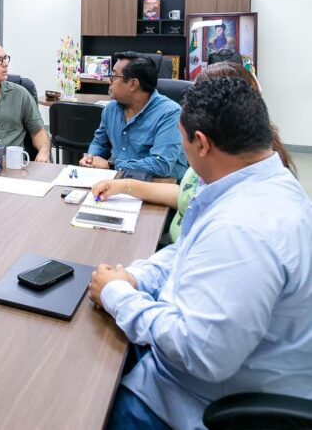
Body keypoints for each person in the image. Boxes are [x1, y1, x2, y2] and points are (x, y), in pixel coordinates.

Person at [89, 77, 312, 430]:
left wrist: (118, 295)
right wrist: (137, 276)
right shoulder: (263, 184)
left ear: (202, 144)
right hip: (221, 373)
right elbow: (188, 249)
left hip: (193, 400)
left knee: (82, 395)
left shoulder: (242, 230)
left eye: (183, 141)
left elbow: (200, 353)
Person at [91, 62, 294, 243]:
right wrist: (123, 186)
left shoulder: (238, 224)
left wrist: (117, 284)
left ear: (202, 141)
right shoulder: (231, 167)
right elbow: (186, 195)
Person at [81, 51, 187, 180]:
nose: (109, 81)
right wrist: (91, 159)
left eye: (114, 76)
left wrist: (112, 164)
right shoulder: (111, 109)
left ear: (133, 84)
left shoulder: (170, 113)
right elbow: (100, 143)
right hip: (118, 182)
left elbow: (161, 165)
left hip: (157, 186)